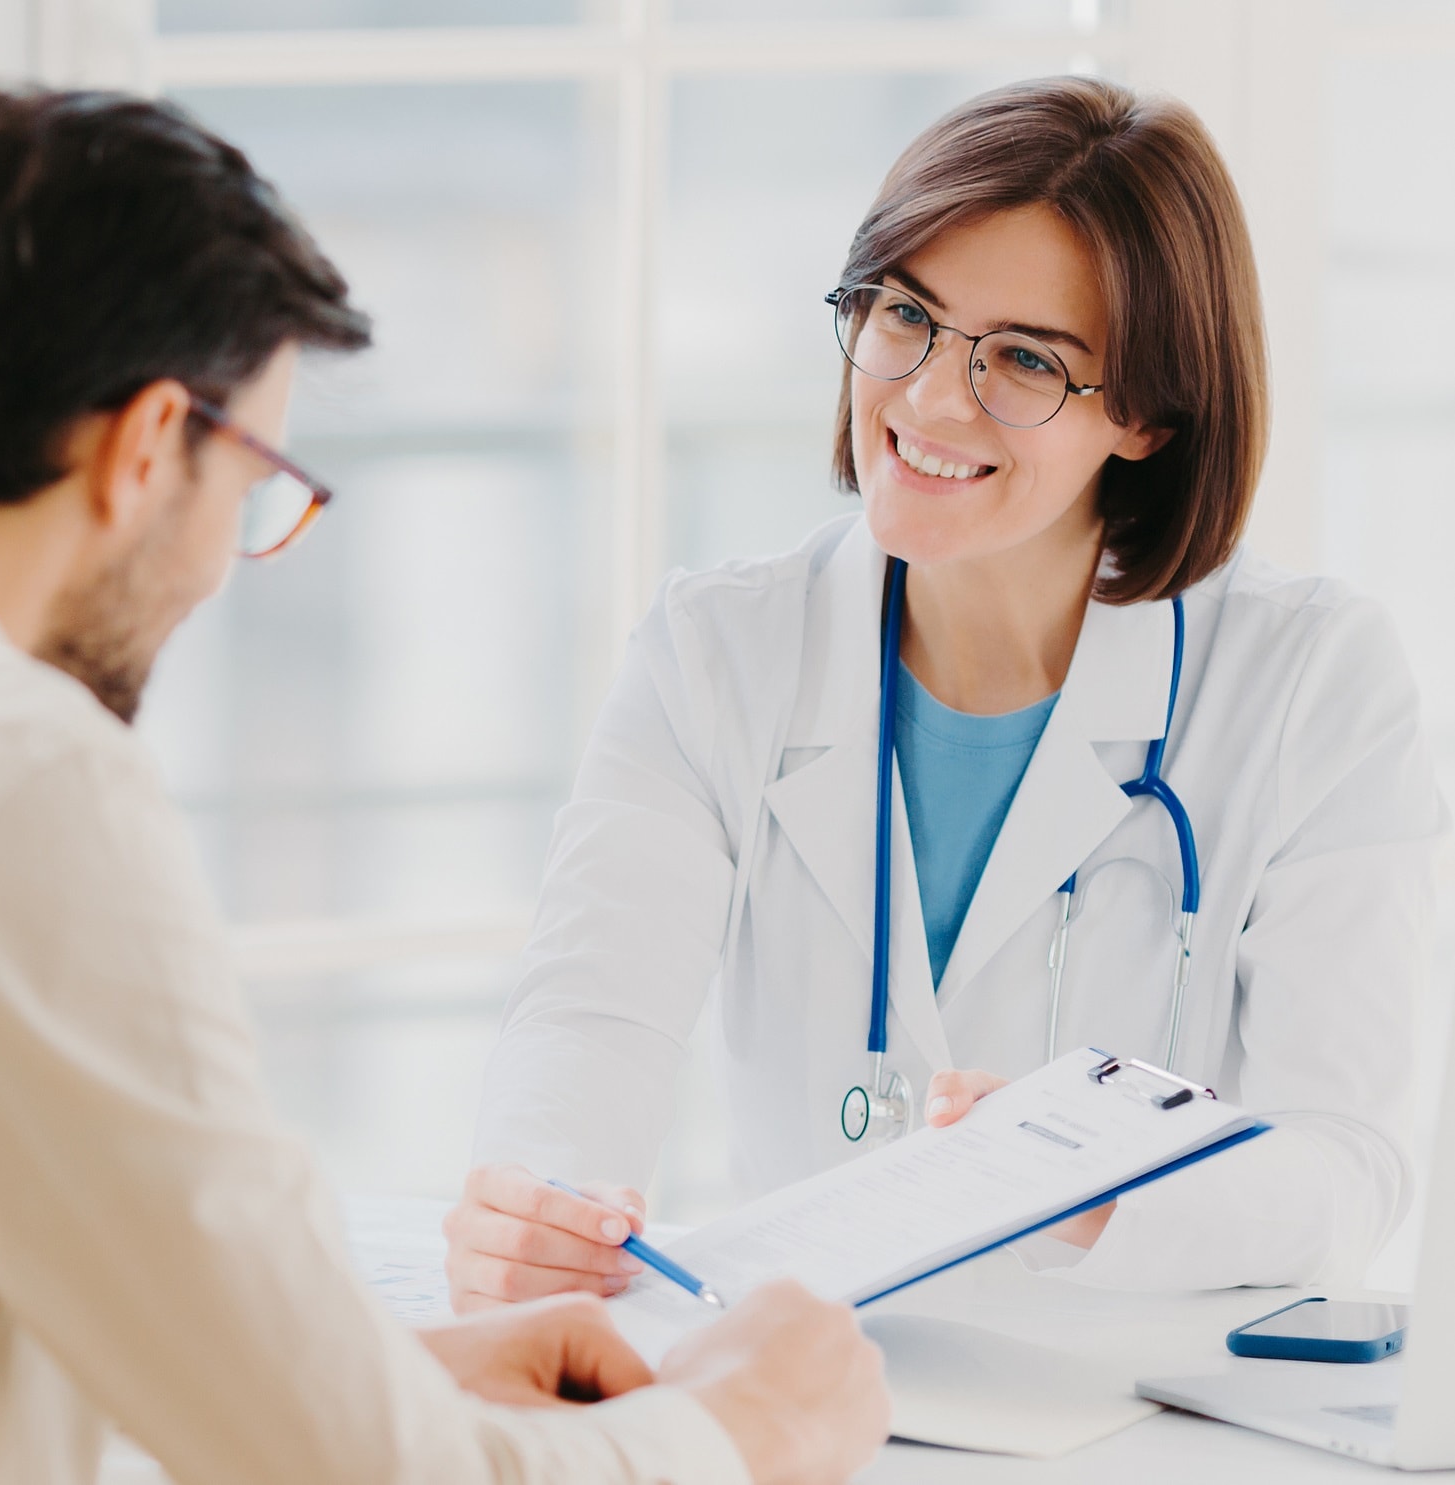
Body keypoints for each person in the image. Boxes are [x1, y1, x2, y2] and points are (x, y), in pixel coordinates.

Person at [0, 87, 888, 1485]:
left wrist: (393, 1366)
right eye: (255, 482)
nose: (221, 565)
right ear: (148, 446)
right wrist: (743, 1426)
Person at [448, 75, 1446, 1313]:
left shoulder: (1308, 684)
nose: (926, 398)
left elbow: (1345, 1167)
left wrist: (1107, 1182)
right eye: (904, 317)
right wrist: (546, 1211)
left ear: (1143, 414)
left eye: (1025, 361)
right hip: (808, 1390)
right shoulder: (716, 653)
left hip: (1134, 1415)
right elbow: (590, 1019)